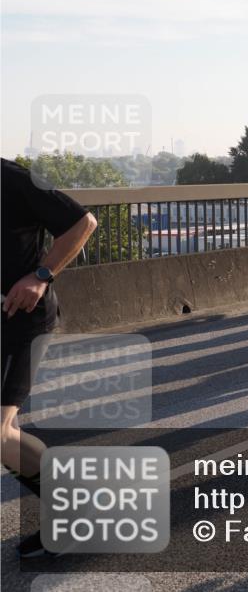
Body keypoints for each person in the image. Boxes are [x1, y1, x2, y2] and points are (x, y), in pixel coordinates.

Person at [2, 158, 97, 557]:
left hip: (20, 318)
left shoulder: (12, 178)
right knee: (6, 436)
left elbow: (83, 223)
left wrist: (40, 277)